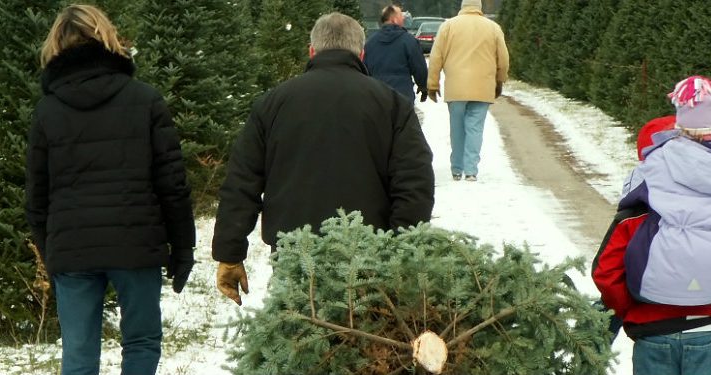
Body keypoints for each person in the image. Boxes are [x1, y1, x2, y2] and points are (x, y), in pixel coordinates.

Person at [211, 12, 435, 306]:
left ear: (312, 51)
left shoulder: (273, 104)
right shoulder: (391, 104)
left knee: (297, 338)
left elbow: (242, 182)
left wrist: (229, 253)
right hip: (368, 258)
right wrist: (398, 249)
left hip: (294, 253)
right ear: (362, 53)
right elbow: (415, 184)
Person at [25, 5, 195, 374]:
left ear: (56, 45)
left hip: (72, 248)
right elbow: (172, 184)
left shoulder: (48, 111)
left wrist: (50, 249)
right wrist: (183, 248)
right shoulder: (145, 99)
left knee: (79, 356)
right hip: (137, 243)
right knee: (142, 342)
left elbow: (36, 196)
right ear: (108, 38)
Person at [592, 76, 711, 375]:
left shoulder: (640, 206)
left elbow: (607, 272)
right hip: (710, 330)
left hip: (652, 334)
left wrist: (633, 308)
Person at [426, 0, 509, 181]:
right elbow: (503, 59)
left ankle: (456, 169)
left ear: (462, 6)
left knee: (456, 128)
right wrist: (500, 80)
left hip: (456, 87)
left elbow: (436, 57)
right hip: (483, 86)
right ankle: (471, 170)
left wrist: (433, 84)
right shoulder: (493, 28)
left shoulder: (448, 26)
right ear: (480, 7)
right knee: (475, 128)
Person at [364, 4, 429, 102]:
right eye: (400, 16)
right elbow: (419, 67)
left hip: (377, 96)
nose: (403, 18)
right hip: (403, 96)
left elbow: (365, 69)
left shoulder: (370, 43)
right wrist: (423, 87)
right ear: (394, 20)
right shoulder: (409, 41)